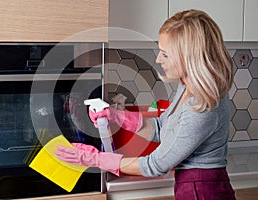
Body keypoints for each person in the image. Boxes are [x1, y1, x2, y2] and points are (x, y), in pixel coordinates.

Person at [55, 9, 236, 199]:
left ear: (190, 57)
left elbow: (155, 165)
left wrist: (95, 159)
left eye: (165, 55)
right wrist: (116, 115)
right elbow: (161, 128)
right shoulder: (187, 87)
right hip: (193, 186)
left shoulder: (202, 106)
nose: (158, 60)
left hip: (203, 192)